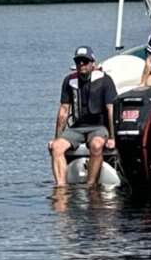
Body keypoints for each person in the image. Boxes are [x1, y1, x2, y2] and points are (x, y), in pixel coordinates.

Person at [49, 46, 118, 188]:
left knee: (96, 145)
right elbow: (63, 112)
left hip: (98, 127)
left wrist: (112, 137)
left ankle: (91, 185)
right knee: (56, 147)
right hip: (77, 128)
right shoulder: (69, 81)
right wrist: (57, 137)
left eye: (85, 61)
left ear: (92, 63)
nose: (81, 64)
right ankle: (61, 187)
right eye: (78, 61)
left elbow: (110, 109)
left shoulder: (105, 80)